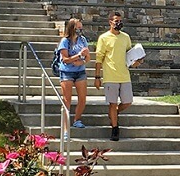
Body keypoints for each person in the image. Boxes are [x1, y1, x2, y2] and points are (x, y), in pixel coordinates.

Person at [95, 10, 142, 141]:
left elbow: (129, 55)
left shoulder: (126, 37)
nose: (119, 23)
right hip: (110, 76)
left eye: (120, 21)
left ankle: (113, 114)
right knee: (112, 103)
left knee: (127, 102)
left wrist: (136, 62)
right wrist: (97, 77)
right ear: (110, 22)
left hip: (124, 75)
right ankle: (115, 129)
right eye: (116, 21)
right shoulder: (104, 38)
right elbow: (99, 59)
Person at [58, 17, 90, 138]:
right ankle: (66, 129)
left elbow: (88, 58)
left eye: (81, 28)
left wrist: (81, 61)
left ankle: (77, 119)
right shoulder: (65, 41)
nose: (80, 30)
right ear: (72, 28)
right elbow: (65, 59)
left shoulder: (83, 40)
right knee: (67, 100)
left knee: (82, 98)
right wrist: (77, 56)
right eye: (78, 28)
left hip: (80, 72)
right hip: (67, 72)